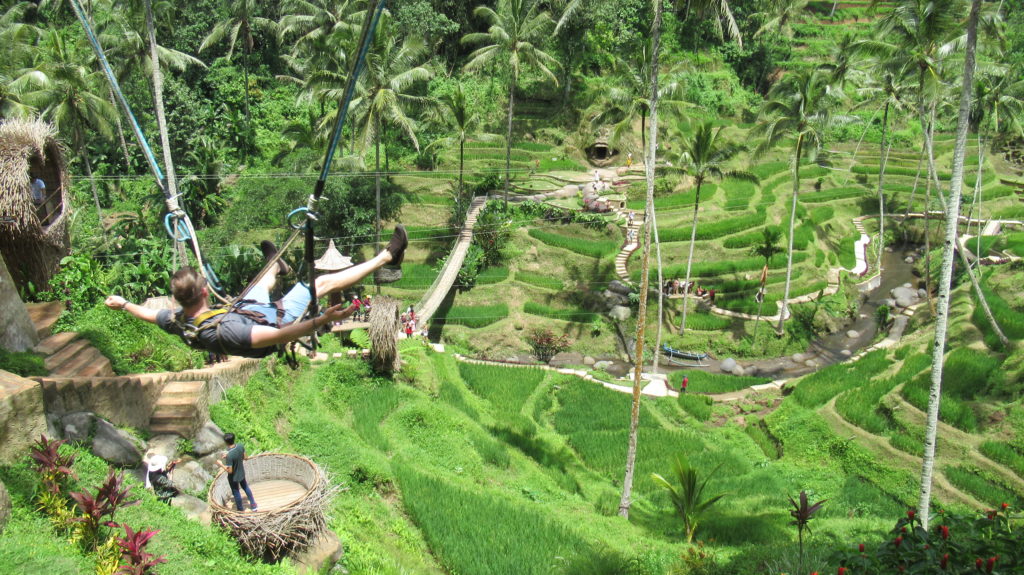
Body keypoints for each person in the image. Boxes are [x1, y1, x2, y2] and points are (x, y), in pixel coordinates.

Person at [105, 226, 408, 358]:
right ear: (205, 291)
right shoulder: (227, 332)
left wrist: (124, 303)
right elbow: (278, 337)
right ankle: (387, 256)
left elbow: (148, 314)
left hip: (244, 311)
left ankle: (277, 266)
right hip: (272, 321)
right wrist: (320, 320)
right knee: (320, 284)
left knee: (259, 284)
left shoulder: (179, 318)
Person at [217, 433, 257, 512]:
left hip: (233, 477)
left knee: (236, 492)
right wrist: (235, 457)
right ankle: (253, 504)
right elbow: (245, 458)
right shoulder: (240, 446)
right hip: (241, 472)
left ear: (226, 442)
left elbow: (230, 471)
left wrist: (221, 464)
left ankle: (240, 510)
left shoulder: (229, 456)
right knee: (245, 487)